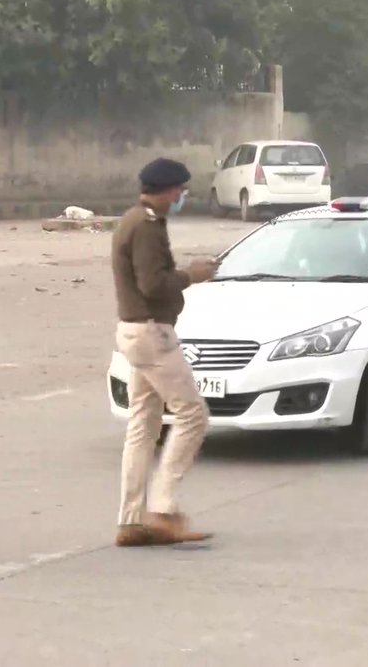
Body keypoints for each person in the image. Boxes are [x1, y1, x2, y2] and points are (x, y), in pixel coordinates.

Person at [112, 157, 220, 547]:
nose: (183, 198)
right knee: (192, 415)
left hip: (136, 331)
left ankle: (131, 520)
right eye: (181, 191)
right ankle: (162, 509)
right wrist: (192, 275)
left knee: (144, 424)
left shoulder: (134, 220)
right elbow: (153, 285)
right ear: (170, 191)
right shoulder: (146, 226)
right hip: (151, 333)